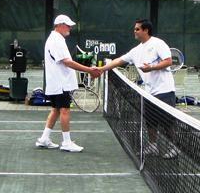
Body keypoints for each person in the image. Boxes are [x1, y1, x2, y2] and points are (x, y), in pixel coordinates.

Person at [98, 19, 176, 157]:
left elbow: (168, 61)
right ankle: (153, 146)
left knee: (167, 122)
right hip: (148, 92)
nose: (135, 31)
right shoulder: (136, 51)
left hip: (164, 90)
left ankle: (173, 148)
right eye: (135, 29)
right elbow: (118, 61)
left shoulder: (158, 43)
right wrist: (101, 69)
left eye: (137, 29)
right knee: (150, 121)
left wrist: (151, 67)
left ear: (146, 30)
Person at [35, 14, 101, 152]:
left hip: (58, 83)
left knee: (56, 110)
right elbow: (67, 62)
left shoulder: (56, 39)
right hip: (60, 84)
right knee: (64, 110)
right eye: (67, 25)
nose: (70, 27)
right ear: (59, 25)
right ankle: (66, 143)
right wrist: (89, 70)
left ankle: (44, 139)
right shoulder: (56, 40)